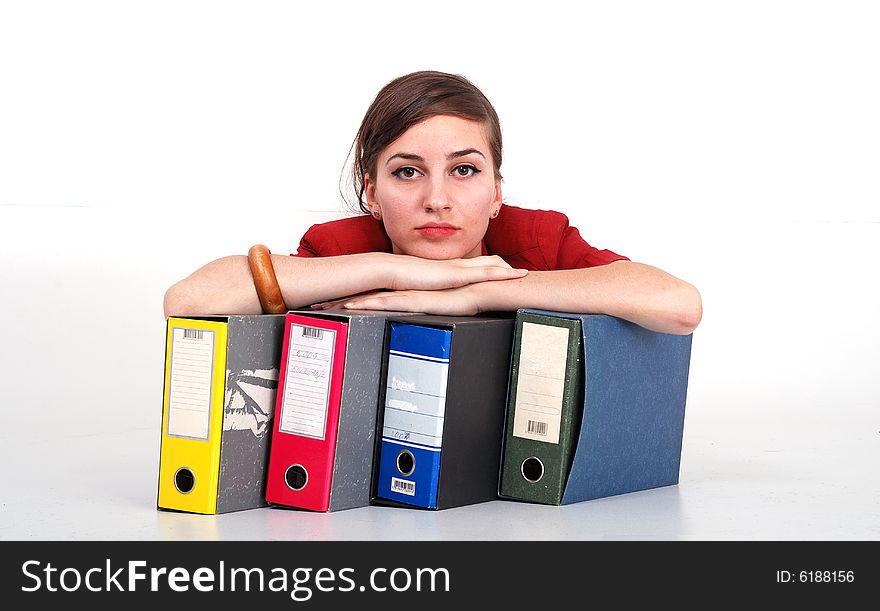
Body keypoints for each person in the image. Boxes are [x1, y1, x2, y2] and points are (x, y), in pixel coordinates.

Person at [164, 71, 701, 335]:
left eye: (464, 170)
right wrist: (390, 268)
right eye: (407, 172)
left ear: (496, 192)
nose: (437, 200)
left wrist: (478, 294)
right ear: (371, 192)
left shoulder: (537, 237)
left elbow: (678, 306)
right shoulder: (341, 247)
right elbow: (188, 301)